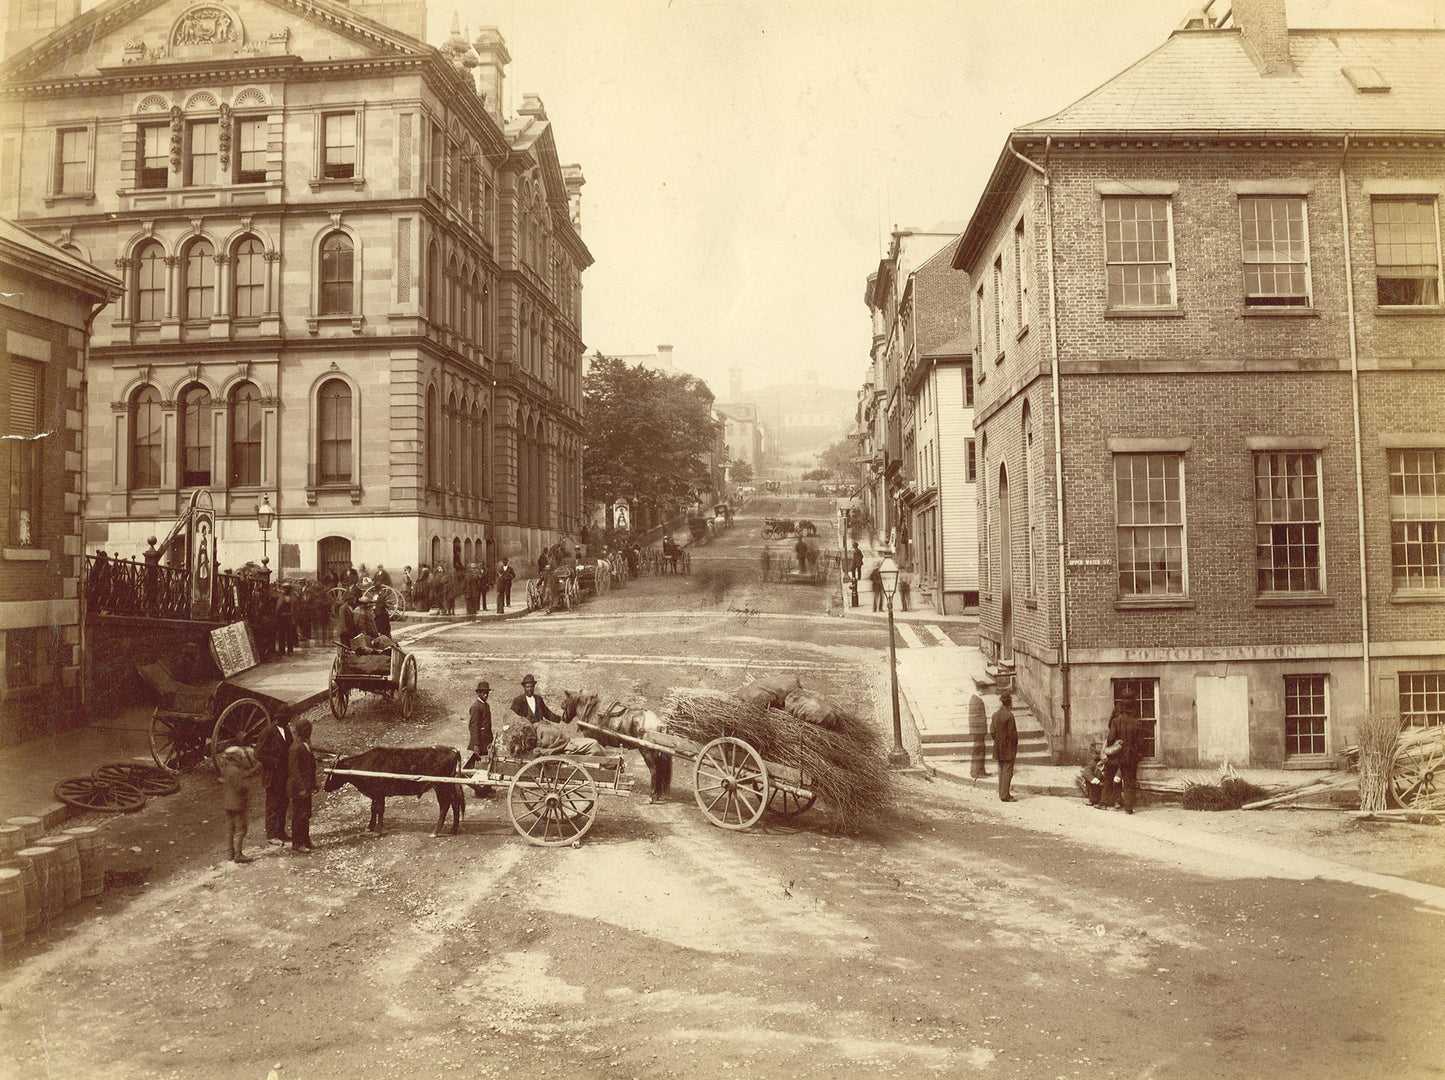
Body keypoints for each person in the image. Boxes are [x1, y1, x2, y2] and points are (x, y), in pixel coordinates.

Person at [1101, 691, 1144, 813]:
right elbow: (1141, 743)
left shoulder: (1116, 721)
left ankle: (1103, 803)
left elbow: (1110, 739)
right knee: (1129, 781)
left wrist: (1112, 745)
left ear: (1122, 708)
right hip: (1130, 755)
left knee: (1109, 778)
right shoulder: (1137, 723)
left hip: (1116, 755)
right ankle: (1128, 808)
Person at [217, 744, 261, 863]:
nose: (241, 758)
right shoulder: (235, 770)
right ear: (235, 757)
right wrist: (247, 788)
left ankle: (230, 853)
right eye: (239, 756)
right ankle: (238, 854)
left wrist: (253, 770)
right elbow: (240, 787)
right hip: (237, 804)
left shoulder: (226, 768)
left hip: (227, 804)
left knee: (230, 829)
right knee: (241, 829)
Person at [256, 718, 292, 845]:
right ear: (278, 717)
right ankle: (271, 835)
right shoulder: (267, 732)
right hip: (272, 775)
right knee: (272, 805)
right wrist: (275, 763)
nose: (288, 721)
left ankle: (281, 832)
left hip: (284, 774)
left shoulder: (286, 730)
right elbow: (258, 753)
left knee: (283, 803)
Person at [288, 718, 317, 852]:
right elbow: (295, 771)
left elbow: (311, 765)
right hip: (299, 789)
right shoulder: (296, 748)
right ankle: (297, 843)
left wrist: (313, 783)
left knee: (306, 814)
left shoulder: (305, 745)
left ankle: (305, 839)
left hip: (306, 786)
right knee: (299, 816)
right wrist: (302, 788)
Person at [990, 692, 1018, 802]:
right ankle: (1005, 796)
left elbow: (992, 732)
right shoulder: (1010, 715)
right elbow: (1012, 734)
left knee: (1001, 770)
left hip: (998, 746)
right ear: (1009, 703)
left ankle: (1002, 793)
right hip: (1008, 747)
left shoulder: (995, 714)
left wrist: (998, 741)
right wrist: (1013, 745)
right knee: (1007, 771)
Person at [968, 692, 990, 778]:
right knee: (977, 750)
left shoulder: (976, 699)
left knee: (981, 750)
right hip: (978, 730)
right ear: (981, 689)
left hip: (979, 730)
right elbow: (975, 718)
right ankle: (975, 772)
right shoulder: (975, 700)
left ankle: (981, 771)